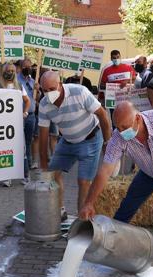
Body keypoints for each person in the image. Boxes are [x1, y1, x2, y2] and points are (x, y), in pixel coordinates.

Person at [79, 101, 153, 222]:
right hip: (149, 172)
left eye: (125, 127)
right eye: (118, 127)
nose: (121, 132)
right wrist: (89, 203)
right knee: (125, 209)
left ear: (138, 118)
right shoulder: (117, 138)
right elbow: (104, 171)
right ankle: (116, 235)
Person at [38, 71, 112, 215]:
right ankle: (58, 211)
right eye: (44, 90)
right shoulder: (44, 104)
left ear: (60, 84)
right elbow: (43, 138)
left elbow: (102, 114)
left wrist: (107, 143)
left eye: (52, 89)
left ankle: (82, 219)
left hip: (91, 139)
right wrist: (44, 169)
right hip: (67, 141)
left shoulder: (79, 92)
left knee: (83, 182)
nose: (48, 94)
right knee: (52, 175)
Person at [0, 62, 31, 186]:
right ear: (3, 71)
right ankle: (7, 177)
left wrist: (25, 112)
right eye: (8, 70)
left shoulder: (19, 86)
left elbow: (27, 101)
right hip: (2, 124)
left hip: (17, 123)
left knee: (21, 149)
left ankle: (25, 175)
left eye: (12, 70)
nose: (10, 73)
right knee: (5, 150)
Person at [17, 58, 38, 173]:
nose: (28, 69)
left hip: (31, 115)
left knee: (29, 140)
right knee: (19, 141)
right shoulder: (16, 80)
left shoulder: (33, 81)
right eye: (25, 67)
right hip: (19, 115)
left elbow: (36, 99)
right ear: (20, 67)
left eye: (29, 67)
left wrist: (38, 91)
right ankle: (20, 165)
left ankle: (28, 164)